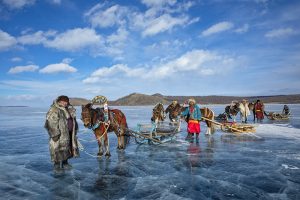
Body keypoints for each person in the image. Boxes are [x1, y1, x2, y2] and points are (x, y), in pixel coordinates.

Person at [44, 95, 79, 170]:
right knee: (57, 149)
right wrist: (55, 134)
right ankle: (56, 165)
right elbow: (51, 123)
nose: (65, 103)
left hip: (69, 133)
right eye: (63, 101)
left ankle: (65, 163)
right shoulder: (54, 110)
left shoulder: (68, 109)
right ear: (59, 101)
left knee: (67, 148)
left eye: (66, 101)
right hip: (60, 134)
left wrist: (75, 129)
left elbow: (73, 120)